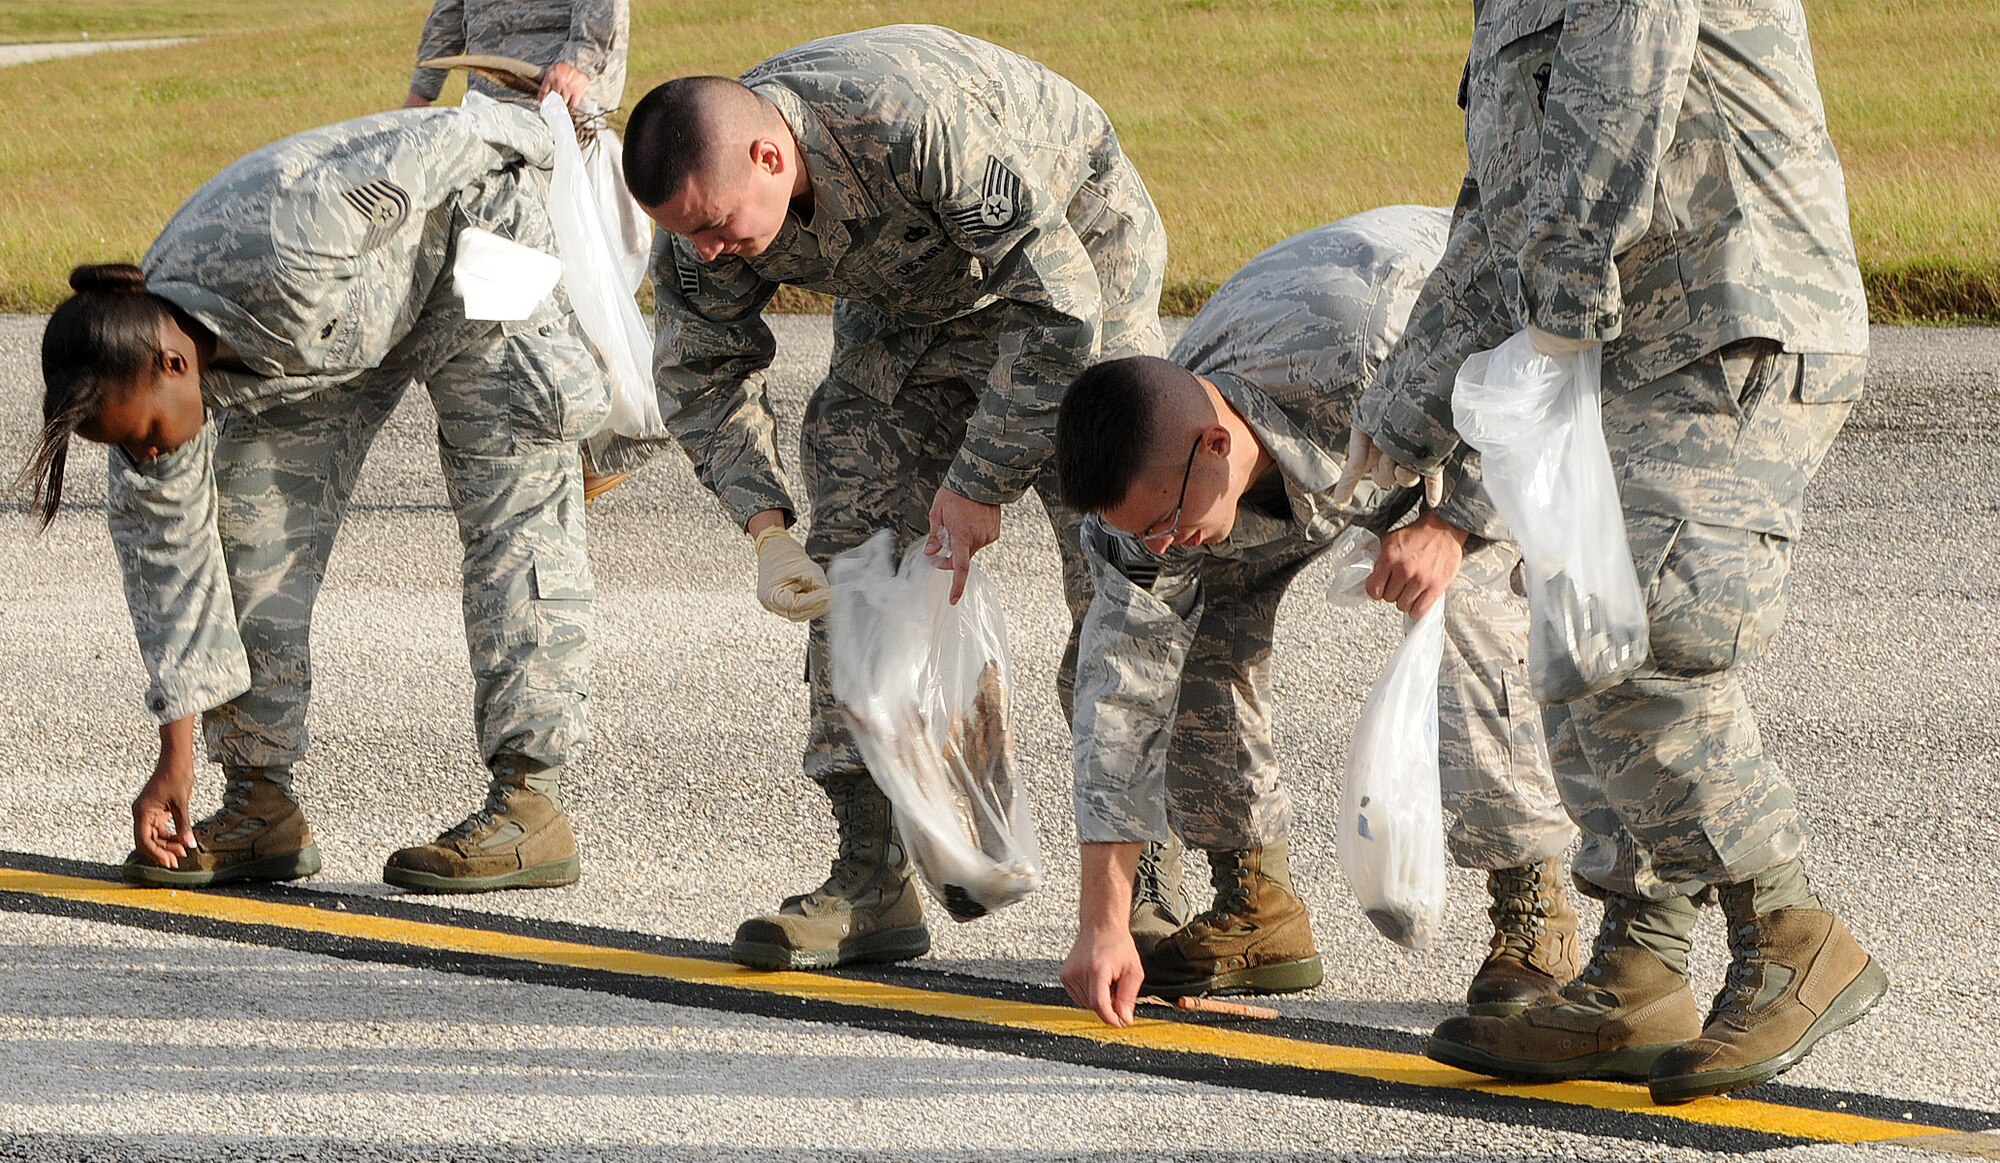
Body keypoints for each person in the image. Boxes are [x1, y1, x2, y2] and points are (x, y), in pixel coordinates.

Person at [1340, 0, 1884, 1105]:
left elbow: (1610, 130)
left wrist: (1550, 328)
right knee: (1575, 635)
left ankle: (1788, 927)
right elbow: (1494, 223)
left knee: (1643, 635)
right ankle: (1638, 967)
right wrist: (1397, 410)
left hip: (1726, 324)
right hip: (1620, 347)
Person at [603, 24, 1170, 970]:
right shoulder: (706, 208)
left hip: (1077, 275)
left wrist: (977, 481)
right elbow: (699, 370)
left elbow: (1059, 304)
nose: (704, 253)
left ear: (771, 155)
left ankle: (1147, 881)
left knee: (1122, 566)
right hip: (915, 304)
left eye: (714, 226)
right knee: (855, 545)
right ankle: (869, 875)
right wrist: (767, 526)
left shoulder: (913, 124)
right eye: (683, 235)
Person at [25, 100, 609, 894]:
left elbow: (448, 140)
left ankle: (530, 803)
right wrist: (175, 759)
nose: (147, 453)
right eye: (130, 446)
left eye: (150, 436)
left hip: (475, 244)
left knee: (513, 506)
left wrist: (554, 139)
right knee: (247, 537)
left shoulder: (286, 236)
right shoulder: (140, 386)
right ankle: (260, 804)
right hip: (331, 334)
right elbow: (172, 584)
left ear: (172, 363)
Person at [1053, 207, 1580, 1025]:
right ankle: (1255, 908)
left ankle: (1535, 914)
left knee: (1464, 603)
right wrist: (1103, 925)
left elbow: (1530, 368)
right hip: (1315, 426)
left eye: (1163, 522)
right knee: (1182, 640)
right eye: (1141, 534)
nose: (1157, 547)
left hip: (1470, 350)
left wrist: (1450, 523)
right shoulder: (1148, 510)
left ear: (1215, 448)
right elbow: (1119, 706)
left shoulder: (1367, 348)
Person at [404, 0, 630, 114]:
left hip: (556, 92)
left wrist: (578, 62)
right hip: (489, 100)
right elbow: (452, 7)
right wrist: (422, 92)